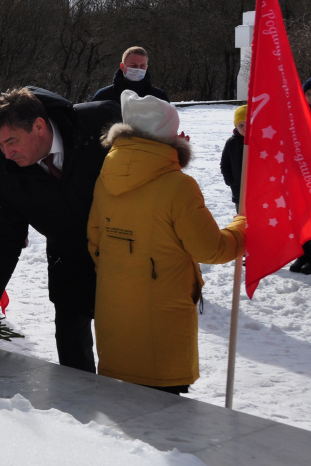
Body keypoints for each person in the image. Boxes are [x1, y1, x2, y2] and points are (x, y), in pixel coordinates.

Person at [88, 90, 245, 394]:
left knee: (120, 419)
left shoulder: (105, 174)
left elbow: (95, 242)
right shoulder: (179, 186)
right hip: (162, 325)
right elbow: (211, 248)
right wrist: (243, 226)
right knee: (164, 421)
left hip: (114, 318)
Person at [0, 87, 120, 373]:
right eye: (0, 145)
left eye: (12, 141)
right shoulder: (8, 175)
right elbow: (7, 240)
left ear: (38, 126)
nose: (7, 153)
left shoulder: (100, 122)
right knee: (74, 363)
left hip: (124, 260)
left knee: (128, 358)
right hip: (68, 264)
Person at [92, 46, 169, 103]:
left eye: (142, 66)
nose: (138, 69)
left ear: (147, 67)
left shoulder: (159, 97)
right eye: (133, 66)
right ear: (122, 66)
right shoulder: (103, 96)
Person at [290, 79, 311, 273]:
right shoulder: (298, 113)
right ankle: (303, 253)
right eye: (309, 93)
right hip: (301, 174)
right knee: (302, 218)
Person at [219, 104, 246, 214]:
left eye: (248, 123)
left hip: (258, 190)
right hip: (238, 189)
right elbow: (224, 164)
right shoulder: (231, 143)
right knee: (242, 218)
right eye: (241, 125)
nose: (245, 128)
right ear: (236, 126)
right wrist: (230, 180)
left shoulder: (259, 141)